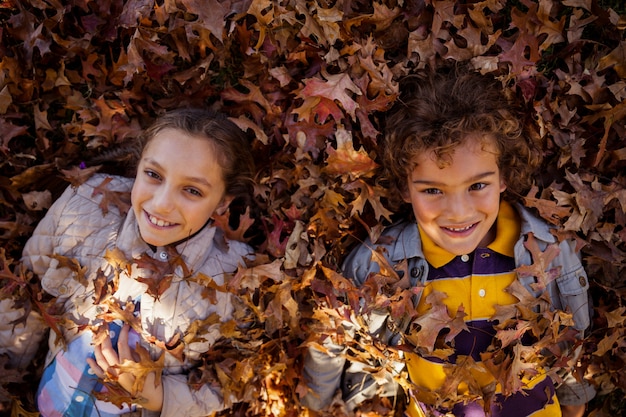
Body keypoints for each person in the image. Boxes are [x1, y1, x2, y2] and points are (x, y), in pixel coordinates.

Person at [301, 66, 595, 417]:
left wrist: (575, 404)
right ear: (406, 188)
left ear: (503, 177)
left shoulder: (549, 251)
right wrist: (316, 405)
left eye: (477, 186)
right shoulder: (380, 263)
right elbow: (332, 337)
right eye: (433, 190)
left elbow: (573, 338)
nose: (458, 212)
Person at [0, 108, 255, 417]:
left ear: (223, 201)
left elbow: (237, 379)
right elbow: (25, 295)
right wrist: (7, 376)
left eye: (192, 190)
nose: (161, 204)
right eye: (154, 175)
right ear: (138, 166)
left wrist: (159, 399)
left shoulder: (235, 278)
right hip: (46, 402)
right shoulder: (83, 205)